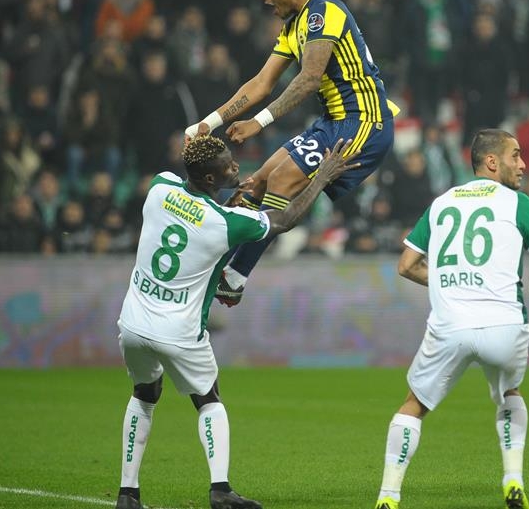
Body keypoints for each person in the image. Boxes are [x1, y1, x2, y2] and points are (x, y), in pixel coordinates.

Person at [115, 135, 358, 509]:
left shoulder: (159, 187)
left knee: (144, 395)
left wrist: (226, 200)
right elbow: (285, 219)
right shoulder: (225, 222)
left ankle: (127, 494)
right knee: (208, 400)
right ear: (210, 179)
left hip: (132, 323)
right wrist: (322, 175)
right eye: (227, 165)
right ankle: (221, 490)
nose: (236, 166)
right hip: (179, 331)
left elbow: (192, 217)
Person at [185, 0, 396, 305]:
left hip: (365, 120)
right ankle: (213, 266)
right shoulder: (293, 26)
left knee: (282, 179)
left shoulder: (324, 11)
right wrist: (209, 122)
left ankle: (234, 277)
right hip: (331, 122)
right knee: (257, 181)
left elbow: (310, 78)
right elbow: (261, 83)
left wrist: (259, 122)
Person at [374, 129, 529, 509]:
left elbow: (406, 265)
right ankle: (513, 481)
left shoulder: (442, 202)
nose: (523, 165)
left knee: (414, 404)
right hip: (504, 326)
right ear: (492, 162)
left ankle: (388, 497)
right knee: (510, 394)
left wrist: (450, 281)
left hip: (451, 326)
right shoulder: (518, 203)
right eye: (515, 155)